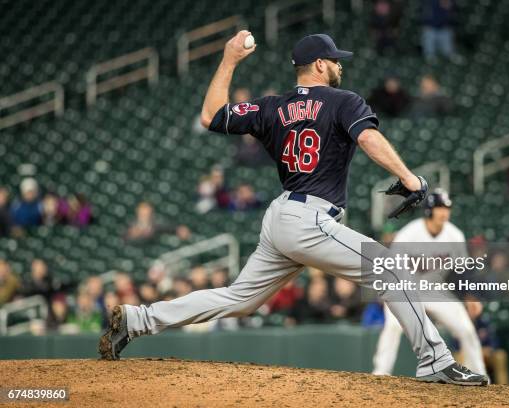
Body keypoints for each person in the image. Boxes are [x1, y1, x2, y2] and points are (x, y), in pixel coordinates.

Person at [99, 31, 488, 385]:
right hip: (310, 219)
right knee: (389, 270)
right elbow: (368, 137)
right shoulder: (343, 100)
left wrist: (229, 59)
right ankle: (435, 360)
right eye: (335, 60)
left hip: (282, 218)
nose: (340, 65)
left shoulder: (272, 107)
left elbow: (211, 116)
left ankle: (138, 320)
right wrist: (409, 178)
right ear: (320, 64)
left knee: (238, 299)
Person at [372, 189, 488, 378]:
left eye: (447, 208)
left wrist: (471, 296)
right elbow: (390, 266)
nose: (444, 212)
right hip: (405, 288)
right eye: (439, 208)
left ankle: (480, 375)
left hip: (434, 289)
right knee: (392, 326)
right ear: (429, 211)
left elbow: (463, 270)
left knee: (466, 329)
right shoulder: (410, 233)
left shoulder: (454, 235)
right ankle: (380, 373)